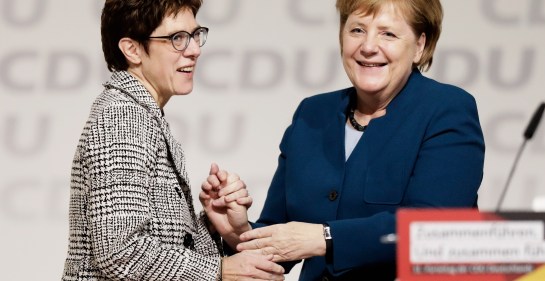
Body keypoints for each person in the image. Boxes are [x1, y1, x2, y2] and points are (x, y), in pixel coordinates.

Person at [202, 0, 485, 280]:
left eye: (388, 33)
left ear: (420, 45)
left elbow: (432, 229)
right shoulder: (312, 114)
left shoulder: (446, 109)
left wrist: (323, 238)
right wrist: (236, 231)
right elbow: (282, 237)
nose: (368, 46)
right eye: (357, 30)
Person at [61, 0, 285, 280]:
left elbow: (162, 245)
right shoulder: (123, 117)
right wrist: (219, 270)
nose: (195, 50)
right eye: (177, 38)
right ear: (132, 49)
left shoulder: (142, 113)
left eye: (195, 35)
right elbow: (120, 252)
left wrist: (213, 226)